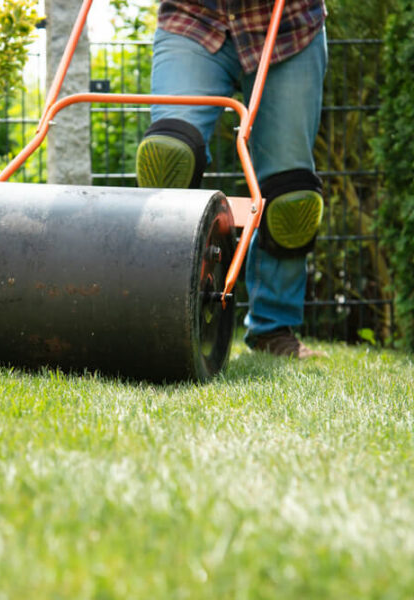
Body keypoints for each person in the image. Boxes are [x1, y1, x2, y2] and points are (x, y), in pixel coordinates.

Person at [135, 0, 327, 358]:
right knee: (169, 155)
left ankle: (273, 329)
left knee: (291, 198)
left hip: (288, 27)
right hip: (195, 17)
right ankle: (158, 311)